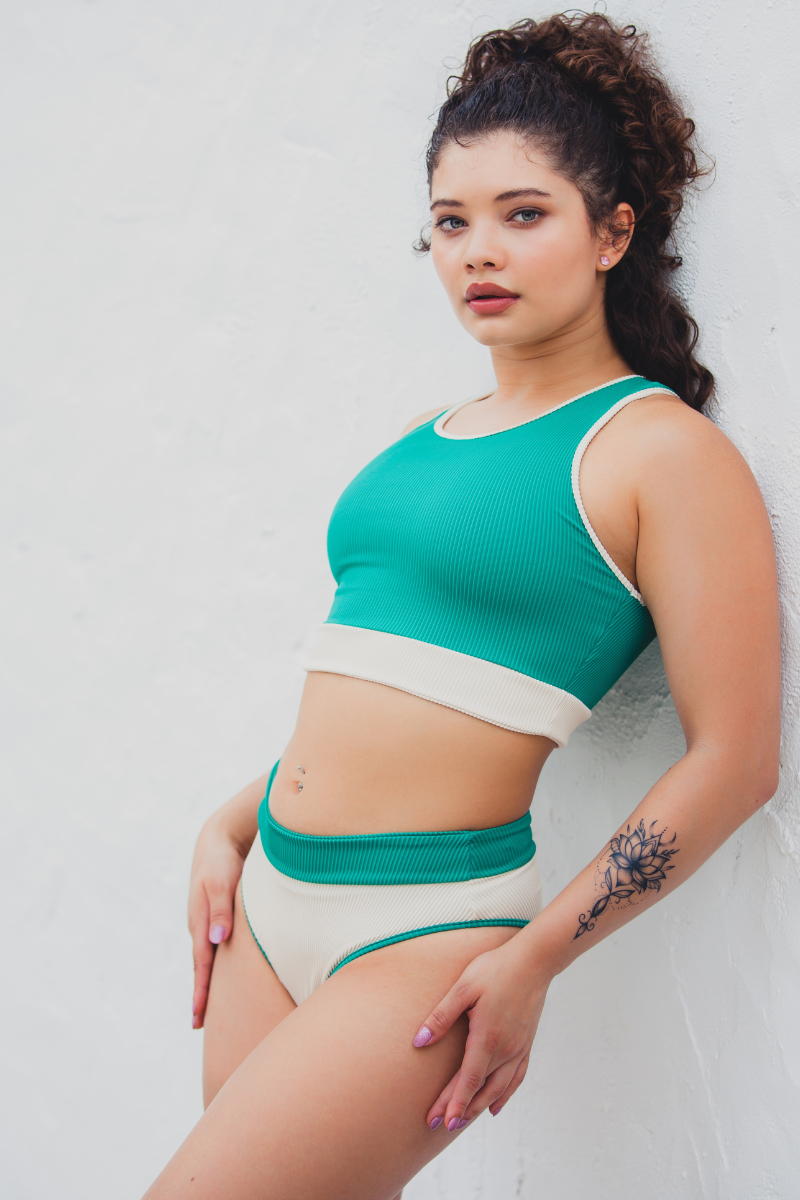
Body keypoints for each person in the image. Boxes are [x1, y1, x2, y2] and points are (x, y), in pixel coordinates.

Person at [144, 13, 780, 1199]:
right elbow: (398, 685)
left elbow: (735, 763)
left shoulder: (657, 452)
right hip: (267, 903)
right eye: (450, 221)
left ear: (611, 233)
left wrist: (537, 957)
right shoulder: (423, 438)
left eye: (521, 214)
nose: (476, 252)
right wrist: (233, 819)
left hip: (422, 934)